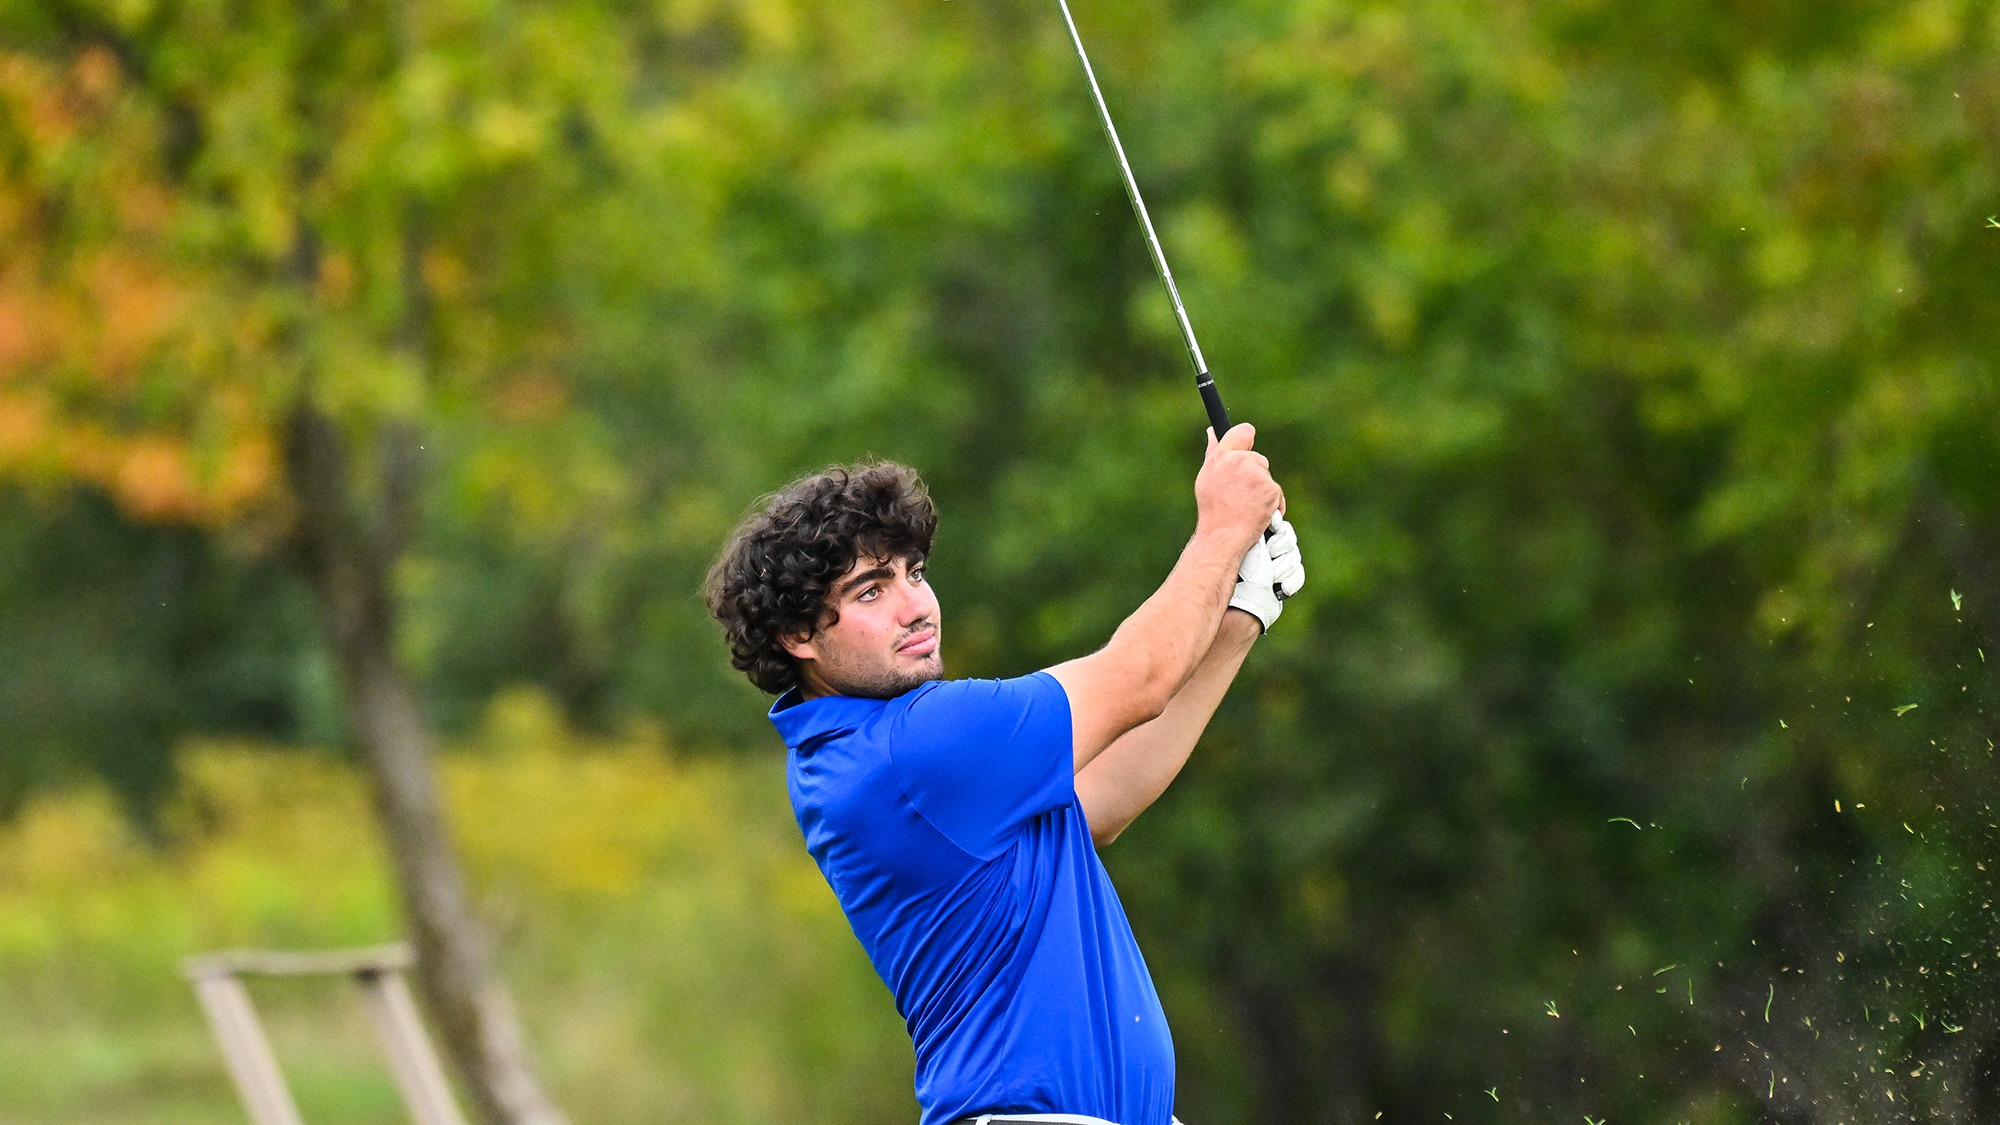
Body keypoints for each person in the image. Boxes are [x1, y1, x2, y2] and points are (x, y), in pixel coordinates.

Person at [704, 425, 1305, 1125]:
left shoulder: (866, 752)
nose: (915, 606)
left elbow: (1098, 802)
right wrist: (1221, 532)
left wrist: (1241, 614)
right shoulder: (916, 742)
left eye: (914, 573)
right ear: (799, 635)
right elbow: (1141, 677)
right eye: (871, 590)